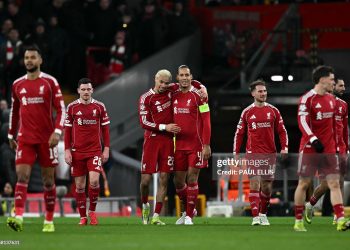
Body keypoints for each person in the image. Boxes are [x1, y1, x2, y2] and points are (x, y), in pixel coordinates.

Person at [6, 46, 65, 232]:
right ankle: (19, 217)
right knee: (22, 176)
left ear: (40, 60)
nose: (29, 60)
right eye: (26, 58)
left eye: (33, 57)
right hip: (25, 138)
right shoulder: (17, 84)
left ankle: (48, 220)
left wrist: (57, 132)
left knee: (48, 181)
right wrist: (10, 133)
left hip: (47, 140)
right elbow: (14, 112)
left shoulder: (49, 82)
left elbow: (61, 109)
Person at [293, 65, 349, 232]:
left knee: (334, 183)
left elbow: (336, 127)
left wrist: (340, 148)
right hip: (310, 148)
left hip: (329, 149)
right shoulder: (307, 99)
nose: (333, 82)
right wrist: (313, 139)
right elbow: (302, 121)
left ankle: (340, 219)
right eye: (331, 79)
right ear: (322, 79)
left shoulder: (333, 101)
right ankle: (298, 221)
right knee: (304, 183)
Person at [233, 80, 288, 226]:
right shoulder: (247, 112)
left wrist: (285, 147)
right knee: (254, 184)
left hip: (270, 154)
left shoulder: (274, 111)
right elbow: (239, 134)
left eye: (264, 91)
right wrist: (236, 153)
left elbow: (282, 131)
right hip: (253, 153)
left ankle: (263, 213)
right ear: (253, 93)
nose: (263, 94)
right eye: (260, 91)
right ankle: (255, 216)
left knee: (267, 187)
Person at [64, 78, 110, 226]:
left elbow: (105, 129)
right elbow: (67, 131)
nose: (85, 92)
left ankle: (92, 212)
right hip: (77, 152)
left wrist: (106, 148)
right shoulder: (71, 107)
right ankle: (82, 217)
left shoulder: (99, 106)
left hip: (95, 151)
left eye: (88, 89)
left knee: (95, 181)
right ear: (78, 91)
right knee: (79, 186)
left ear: (92, 90)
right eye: (83, 89)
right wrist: (67, 150)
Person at [138, 69, 180, 225]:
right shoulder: (146, 98)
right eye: (161, 82)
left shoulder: (171, 90)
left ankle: (156, 216)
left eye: (166, 82)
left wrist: (201, 87)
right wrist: (164, 127)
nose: (163, 85)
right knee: (145, 181)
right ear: (155, 80)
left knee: (164, 179)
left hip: (168, 141)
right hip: (152, 140)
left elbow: (187, 82)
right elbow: (144, 122)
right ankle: (145, 204)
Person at [173, 65, 211, 225]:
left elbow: (206, 121)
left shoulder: (199, 96)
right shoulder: (172, 95)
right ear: (177, 77)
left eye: (187, 75)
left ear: (191, 77)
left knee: (192, 178)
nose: (184, 77)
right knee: (178, 182)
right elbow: (163, 85)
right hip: (178, 145)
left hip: (196, 145)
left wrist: (207, 144)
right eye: (181, 75)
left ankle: (189, 215)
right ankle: (188, 209)